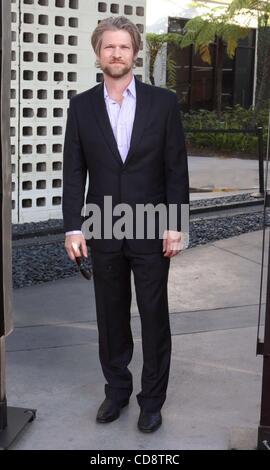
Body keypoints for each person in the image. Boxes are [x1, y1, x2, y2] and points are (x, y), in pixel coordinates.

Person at [62, 16, 189, 433]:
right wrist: (73, 227)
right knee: (109, 316)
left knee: (154, 315)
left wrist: (175, 223)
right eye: (108, 47)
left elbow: (175, 167)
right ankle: (116, 391)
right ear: (98, 53)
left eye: (123, 47)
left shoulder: (163, 102)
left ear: (135, 52)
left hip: (153, 225)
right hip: (102, 225)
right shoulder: (80, 106)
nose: (116, 54)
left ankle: (151, 400)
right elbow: (73, 171)